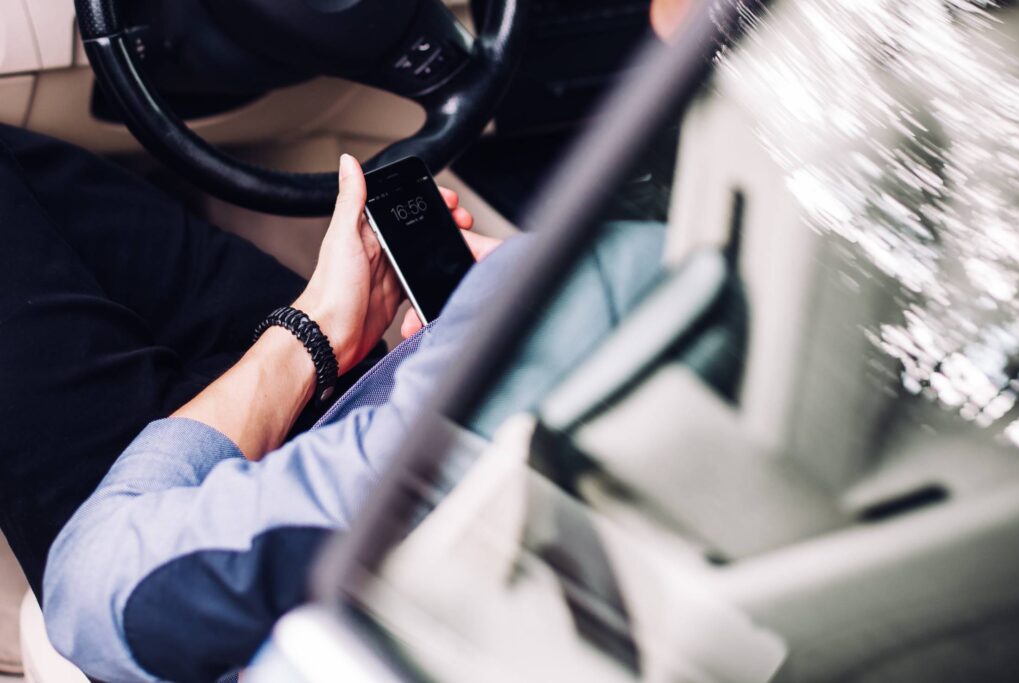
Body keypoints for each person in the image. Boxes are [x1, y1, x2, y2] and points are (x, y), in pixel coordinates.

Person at [0, 2, 693, 681]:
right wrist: (473, 320)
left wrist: (316, 334)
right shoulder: (687, 275)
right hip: (364, 435)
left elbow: (93, 591)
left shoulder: (588, 301)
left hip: (190, 569)